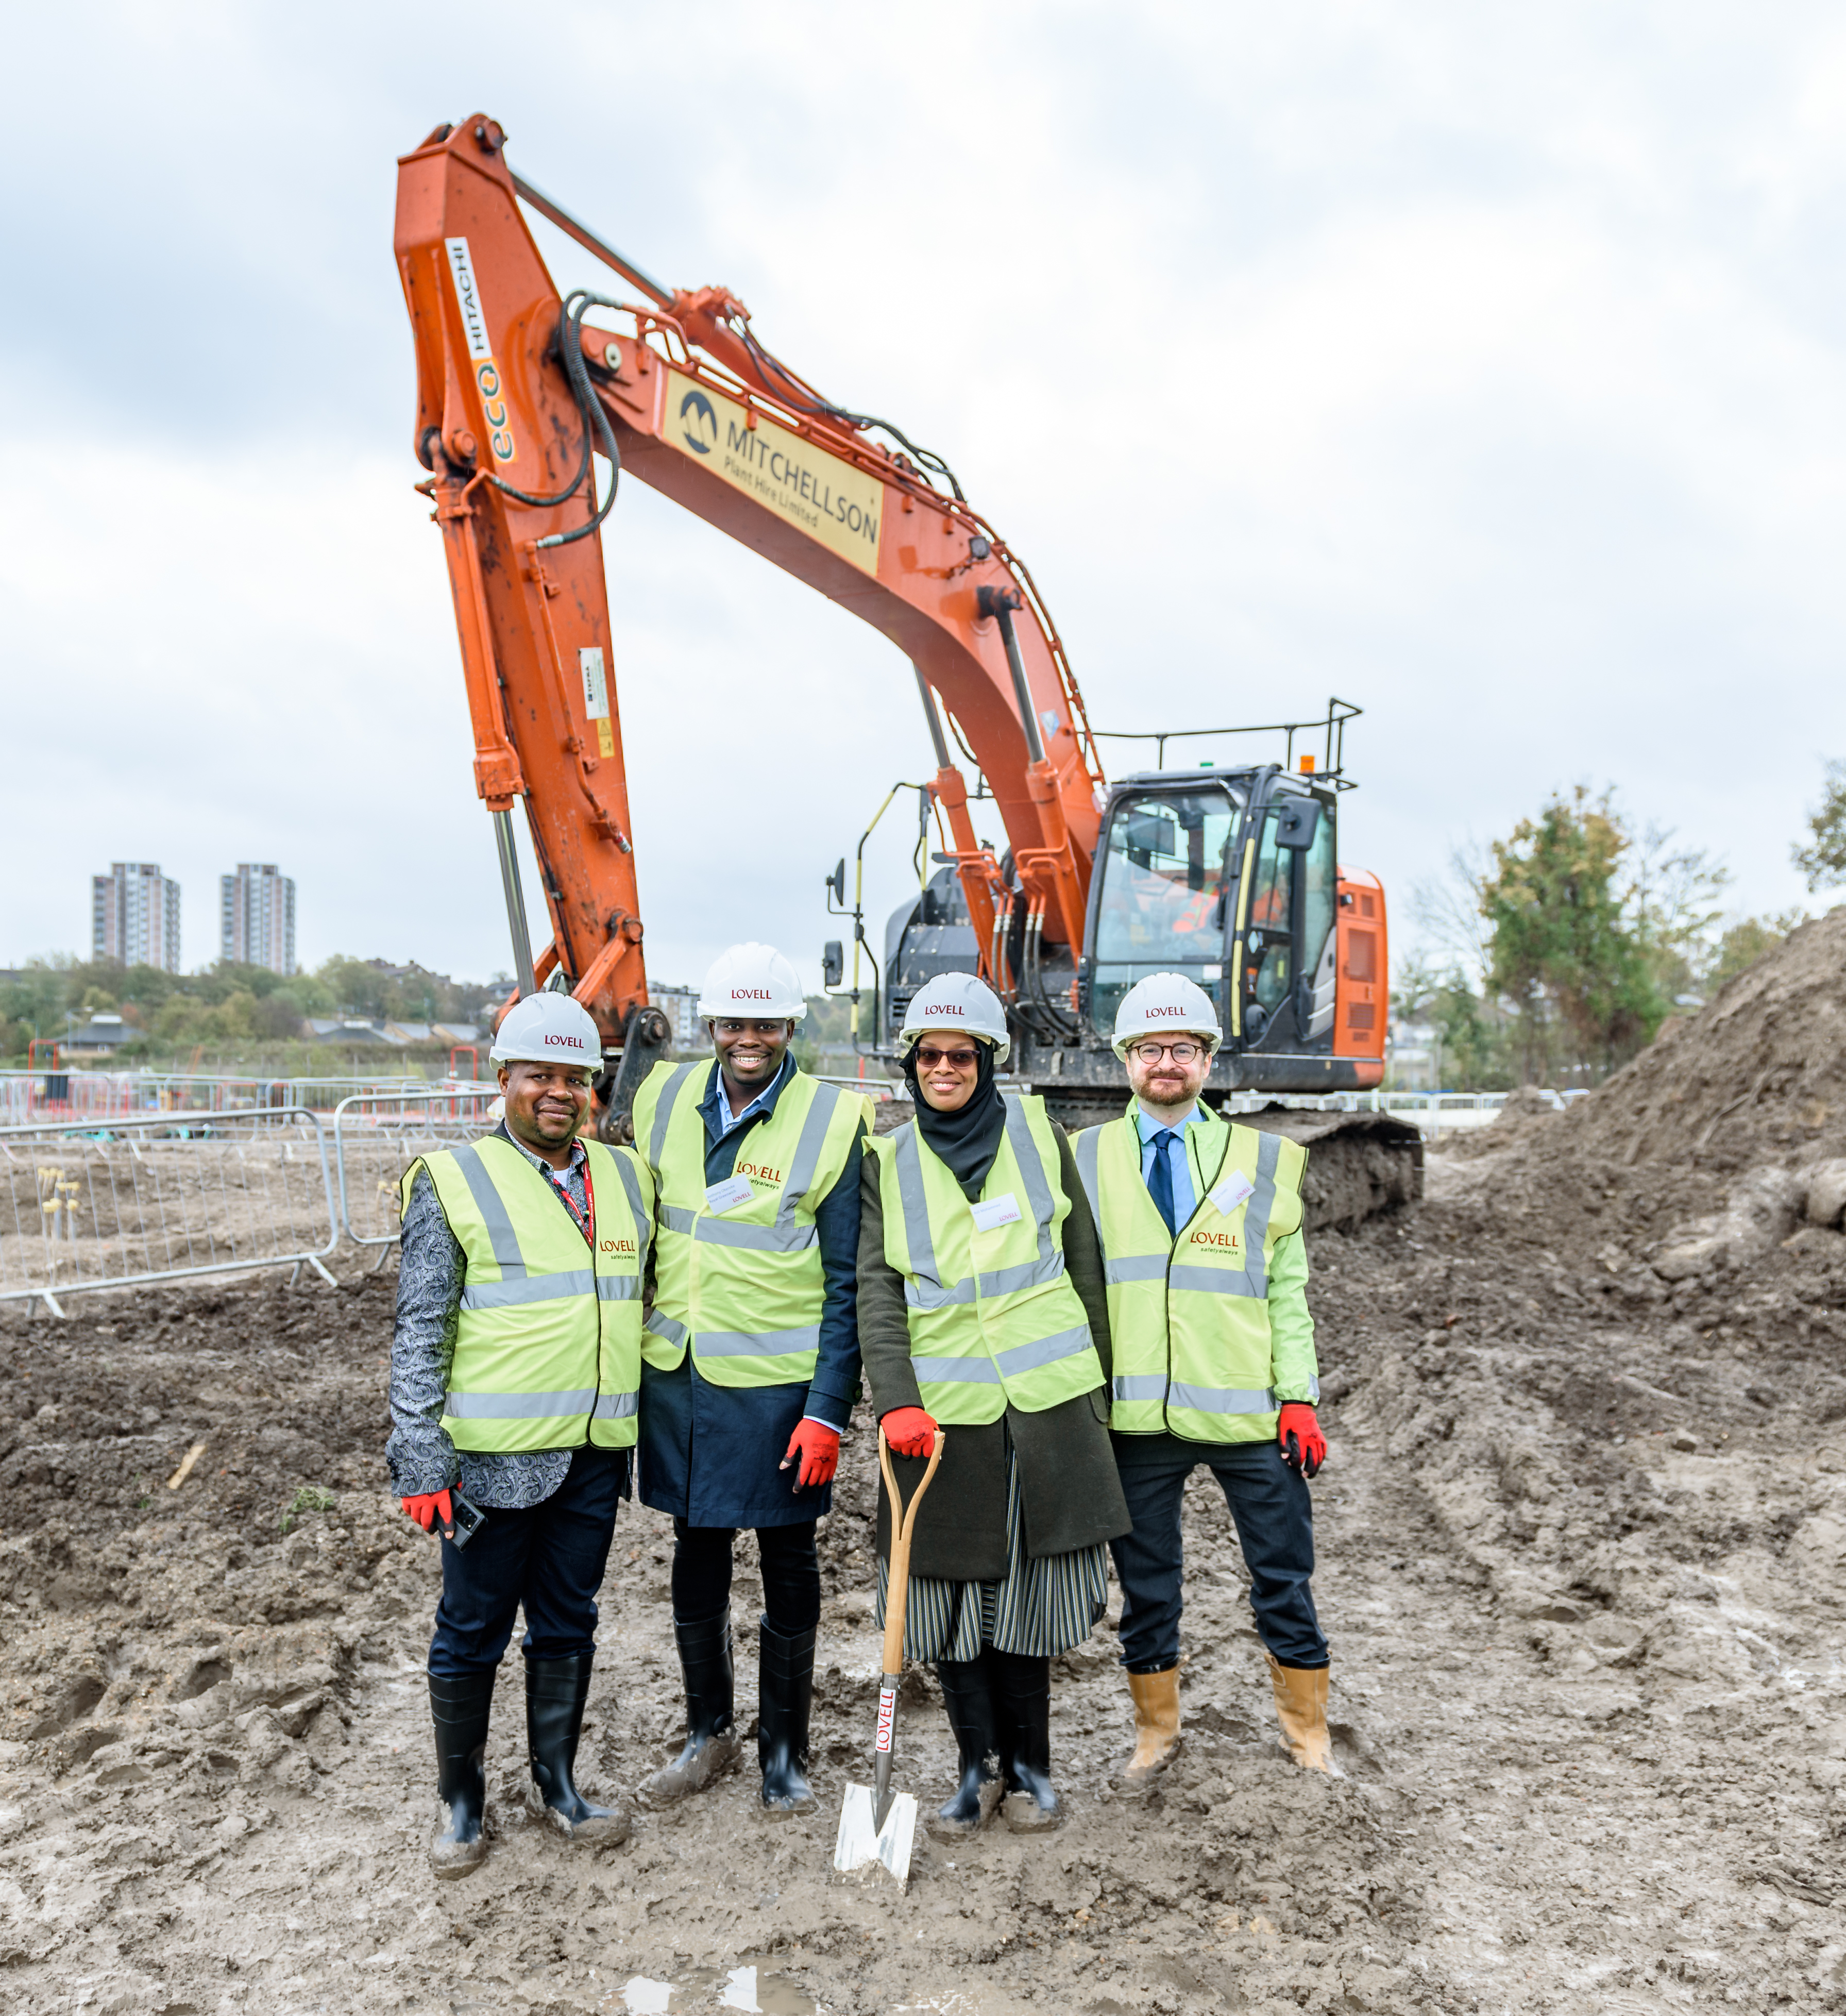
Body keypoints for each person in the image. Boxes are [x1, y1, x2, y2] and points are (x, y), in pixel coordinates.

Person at [386, 991, 654, 1878]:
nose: (558, 1092)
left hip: (593, 1452)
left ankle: (558, 1783)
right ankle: (461, 1806)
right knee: (472, 1628)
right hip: (491, 1463)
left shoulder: (623, 1175)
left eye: (574, 1078)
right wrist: (420, 1456)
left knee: (570, 1620)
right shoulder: (453, 1180)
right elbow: (421, 1330)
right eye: (538, 1075)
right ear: (503, 1080)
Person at [858, 972, 1129, 1838]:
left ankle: (1034, 1774)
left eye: (961, 1055)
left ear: (989, 1060)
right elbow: (877, 1293)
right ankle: (974, 1772)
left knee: (1027, 1602)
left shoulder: (1043, 1138)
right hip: (944, 1421)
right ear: (911, 1063)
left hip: (1047, 1409)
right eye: (930, 1055)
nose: (945, 1068)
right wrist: (895, 1401)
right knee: (952, 1606)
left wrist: (1101, 1390)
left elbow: (1085, 1266)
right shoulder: (888, 1161)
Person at [1072, 972, 1333, 1783]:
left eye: (1182, 1048)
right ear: (1124, 1059)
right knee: (1147, 1589)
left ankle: (1307, 1733)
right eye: (1150, 1049)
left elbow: (1288, 1293)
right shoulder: (1081, 1159)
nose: (1166, 1063)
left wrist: (1299, 1397)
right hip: (1136, 1417)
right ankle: (1155, 1733)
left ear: (1209, 1059)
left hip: (1250, 1413)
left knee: (1283, 1577)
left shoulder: (1266, 1159)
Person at [629, 943, 869, 1817]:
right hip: (682, 1377)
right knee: (696, 1551)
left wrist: (827, 1413)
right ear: (711, 1026)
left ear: (791, 1028)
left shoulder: (833, 1122)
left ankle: (784, 1754)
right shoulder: (660, 1098)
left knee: (788, 1558)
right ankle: (708, 1734)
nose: (748, 1039)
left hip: (777, 1391)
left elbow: (848, 1284)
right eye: (733, 1023)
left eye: (765, 1024)